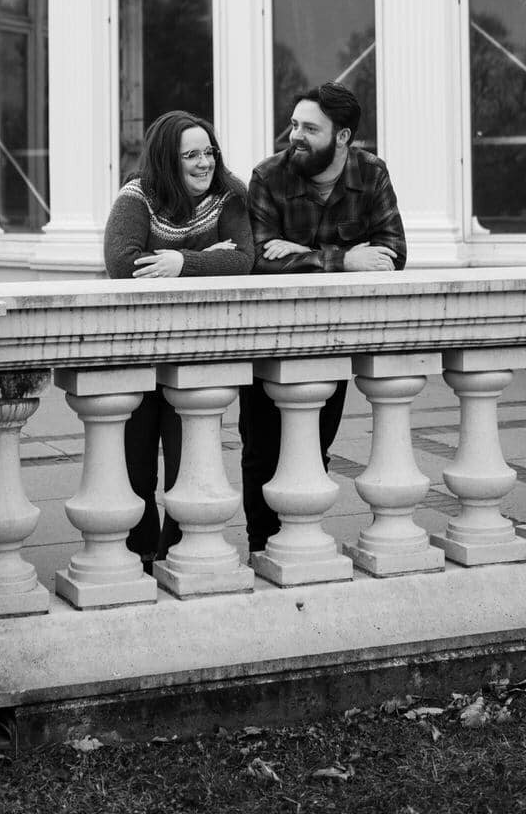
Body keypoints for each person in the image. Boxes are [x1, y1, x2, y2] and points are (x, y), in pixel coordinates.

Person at [240, 81, 406, 554]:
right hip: (269, 336)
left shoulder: (371, 174)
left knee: (316, 445)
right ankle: (260, 545)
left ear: (342, 136)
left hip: (333, 337)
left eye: (310, 128)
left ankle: (300, 537)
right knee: (260, 449)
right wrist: (344, 258)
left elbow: (393, 253)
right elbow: (258, 260)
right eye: (294, 124)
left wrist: (304, 253)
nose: (296, 135)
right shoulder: (268, 176)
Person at [104, 110, 254, 568]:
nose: (204, 162)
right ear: (167, 159)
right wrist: (203, 256)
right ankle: (140, 551)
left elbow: (243, 259)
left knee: (187, 457)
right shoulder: (137, 197)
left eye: (209, 152)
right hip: (136, 350)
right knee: (135, 462)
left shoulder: (230, 194)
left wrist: (181, 263)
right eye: (191, 155)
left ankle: (173, 550)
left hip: (195, 351)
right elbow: (123, 264)